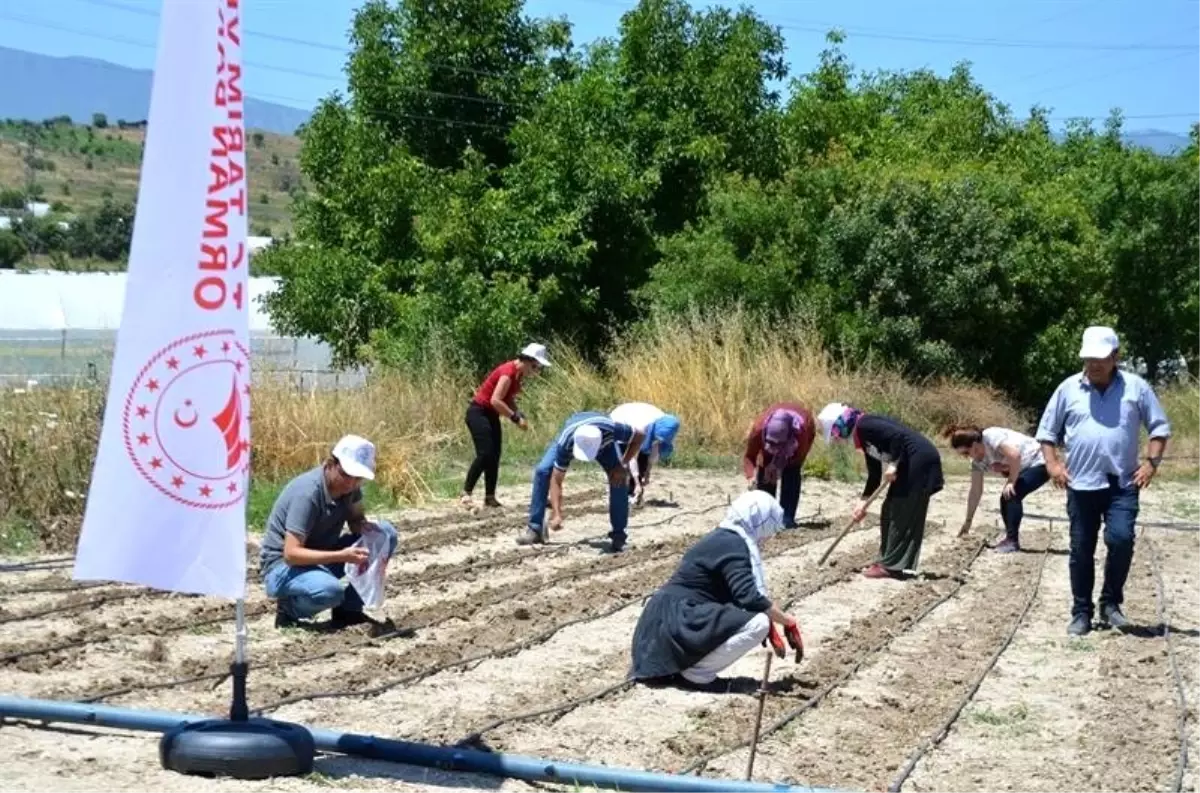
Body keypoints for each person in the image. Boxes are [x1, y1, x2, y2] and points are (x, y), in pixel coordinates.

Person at [1035, 326, 1171, 636]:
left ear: (1115, 357)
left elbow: (1159, 428)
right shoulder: (1068, 389)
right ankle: (1081, 611)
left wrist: (1151, 463)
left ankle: (1110, 604)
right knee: (1081, 548)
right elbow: (1046, 432)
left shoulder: (1136, 388)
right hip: (1081, 484)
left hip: (1122, 484)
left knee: (1121, 540)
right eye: (1088, 359)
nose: (1093, 365)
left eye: (1100, 358)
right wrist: (1053, 464)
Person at [629, 490, 800, 689]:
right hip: (678, 619)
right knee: (759, 624)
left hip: (662, 622)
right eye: (769, 529)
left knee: (756, 620)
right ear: (759, 521)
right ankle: (696, 675)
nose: (769, 537)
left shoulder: (724, 536)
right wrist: (787, 622)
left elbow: (740, 597)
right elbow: (749, 598)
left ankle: (687, 669)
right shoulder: (735, 544)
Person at [259, 434, 399, 629]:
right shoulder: (307, 494)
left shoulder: (350, 488)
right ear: (331, 463)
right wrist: (341, 556)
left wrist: (363, 527)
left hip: (321, 557)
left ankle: (349, 611)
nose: (350, 483)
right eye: (346, 474)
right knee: (330, 591)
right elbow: (291, 554)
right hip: (283, 568)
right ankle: (288, 610)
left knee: (386, 534)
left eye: (358, 478)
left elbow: (356, 518)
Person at [817, 402, 945, 580]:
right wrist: (862, 503)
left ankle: (890, 566)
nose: (837, 437)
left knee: (900, 510)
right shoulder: (863, 436)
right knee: (890, 509)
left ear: (841, 423)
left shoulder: (866, 424)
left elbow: (899, 437)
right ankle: (888, 561)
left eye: (835, 432)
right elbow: (874, 474)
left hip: (919, 461)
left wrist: (893, 464)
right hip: (911, 463)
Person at [520, 412, 645, 553]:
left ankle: (619, 537)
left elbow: (640, 436)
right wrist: (557, 513)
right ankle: (535, 529)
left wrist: (621, 464)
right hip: (572, 431)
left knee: (619, 478)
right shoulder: (566, 442)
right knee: (542, 471)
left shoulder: (612, 429)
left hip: (606, 446)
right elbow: (556, 479)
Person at [461, 343, 552, 509]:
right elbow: (495, 400)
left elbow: (507, 399)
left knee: (494, 455)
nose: (536, 371)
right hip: (478, 413)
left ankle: (489, 497)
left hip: (490, 414)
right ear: (527, 360)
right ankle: (466, 493)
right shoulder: (508, 372)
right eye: (535, 366)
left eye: (538, 368)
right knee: (485, 453)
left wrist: (519, 413)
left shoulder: (517, 376)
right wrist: (515, 418)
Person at [946, 424, 1049, 553]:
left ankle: (1012, 541)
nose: (968, 457)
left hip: (1041, 461)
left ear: (974, 445)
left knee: (1011, 494)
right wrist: (968, 521)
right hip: (1024, 467)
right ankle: (1010, 538)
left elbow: (1015, 455)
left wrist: (1011, 481)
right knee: (1006, 498)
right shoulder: (977, 463)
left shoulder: (990, 436)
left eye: (967, 452)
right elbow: (975, 491)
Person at [742, 402, 815, 529]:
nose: (773, 448)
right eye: (770, 443)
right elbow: (750, 456)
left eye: (777, 445)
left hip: (800, 438)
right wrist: (751, 477)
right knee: (765, 472)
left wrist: (777, 467)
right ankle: (766, 517)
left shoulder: (801, 432)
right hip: (776, 439)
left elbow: (797, 460)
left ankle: (786, 518)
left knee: (791, 472)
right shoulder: (758, 429)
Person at [609, 401, 682, 506]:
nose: (659, 439)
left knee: (643, 459)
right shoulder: (641, 427)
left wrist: (647, 472)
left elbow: (654, 449)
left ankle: (634, 493)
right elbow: (632, 457)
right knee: (623, 463)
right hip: (621, 420)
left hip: (642, 424)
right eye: (658, 437)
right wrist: (638, 482)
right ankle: (621, 494)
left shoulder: (666, 424)